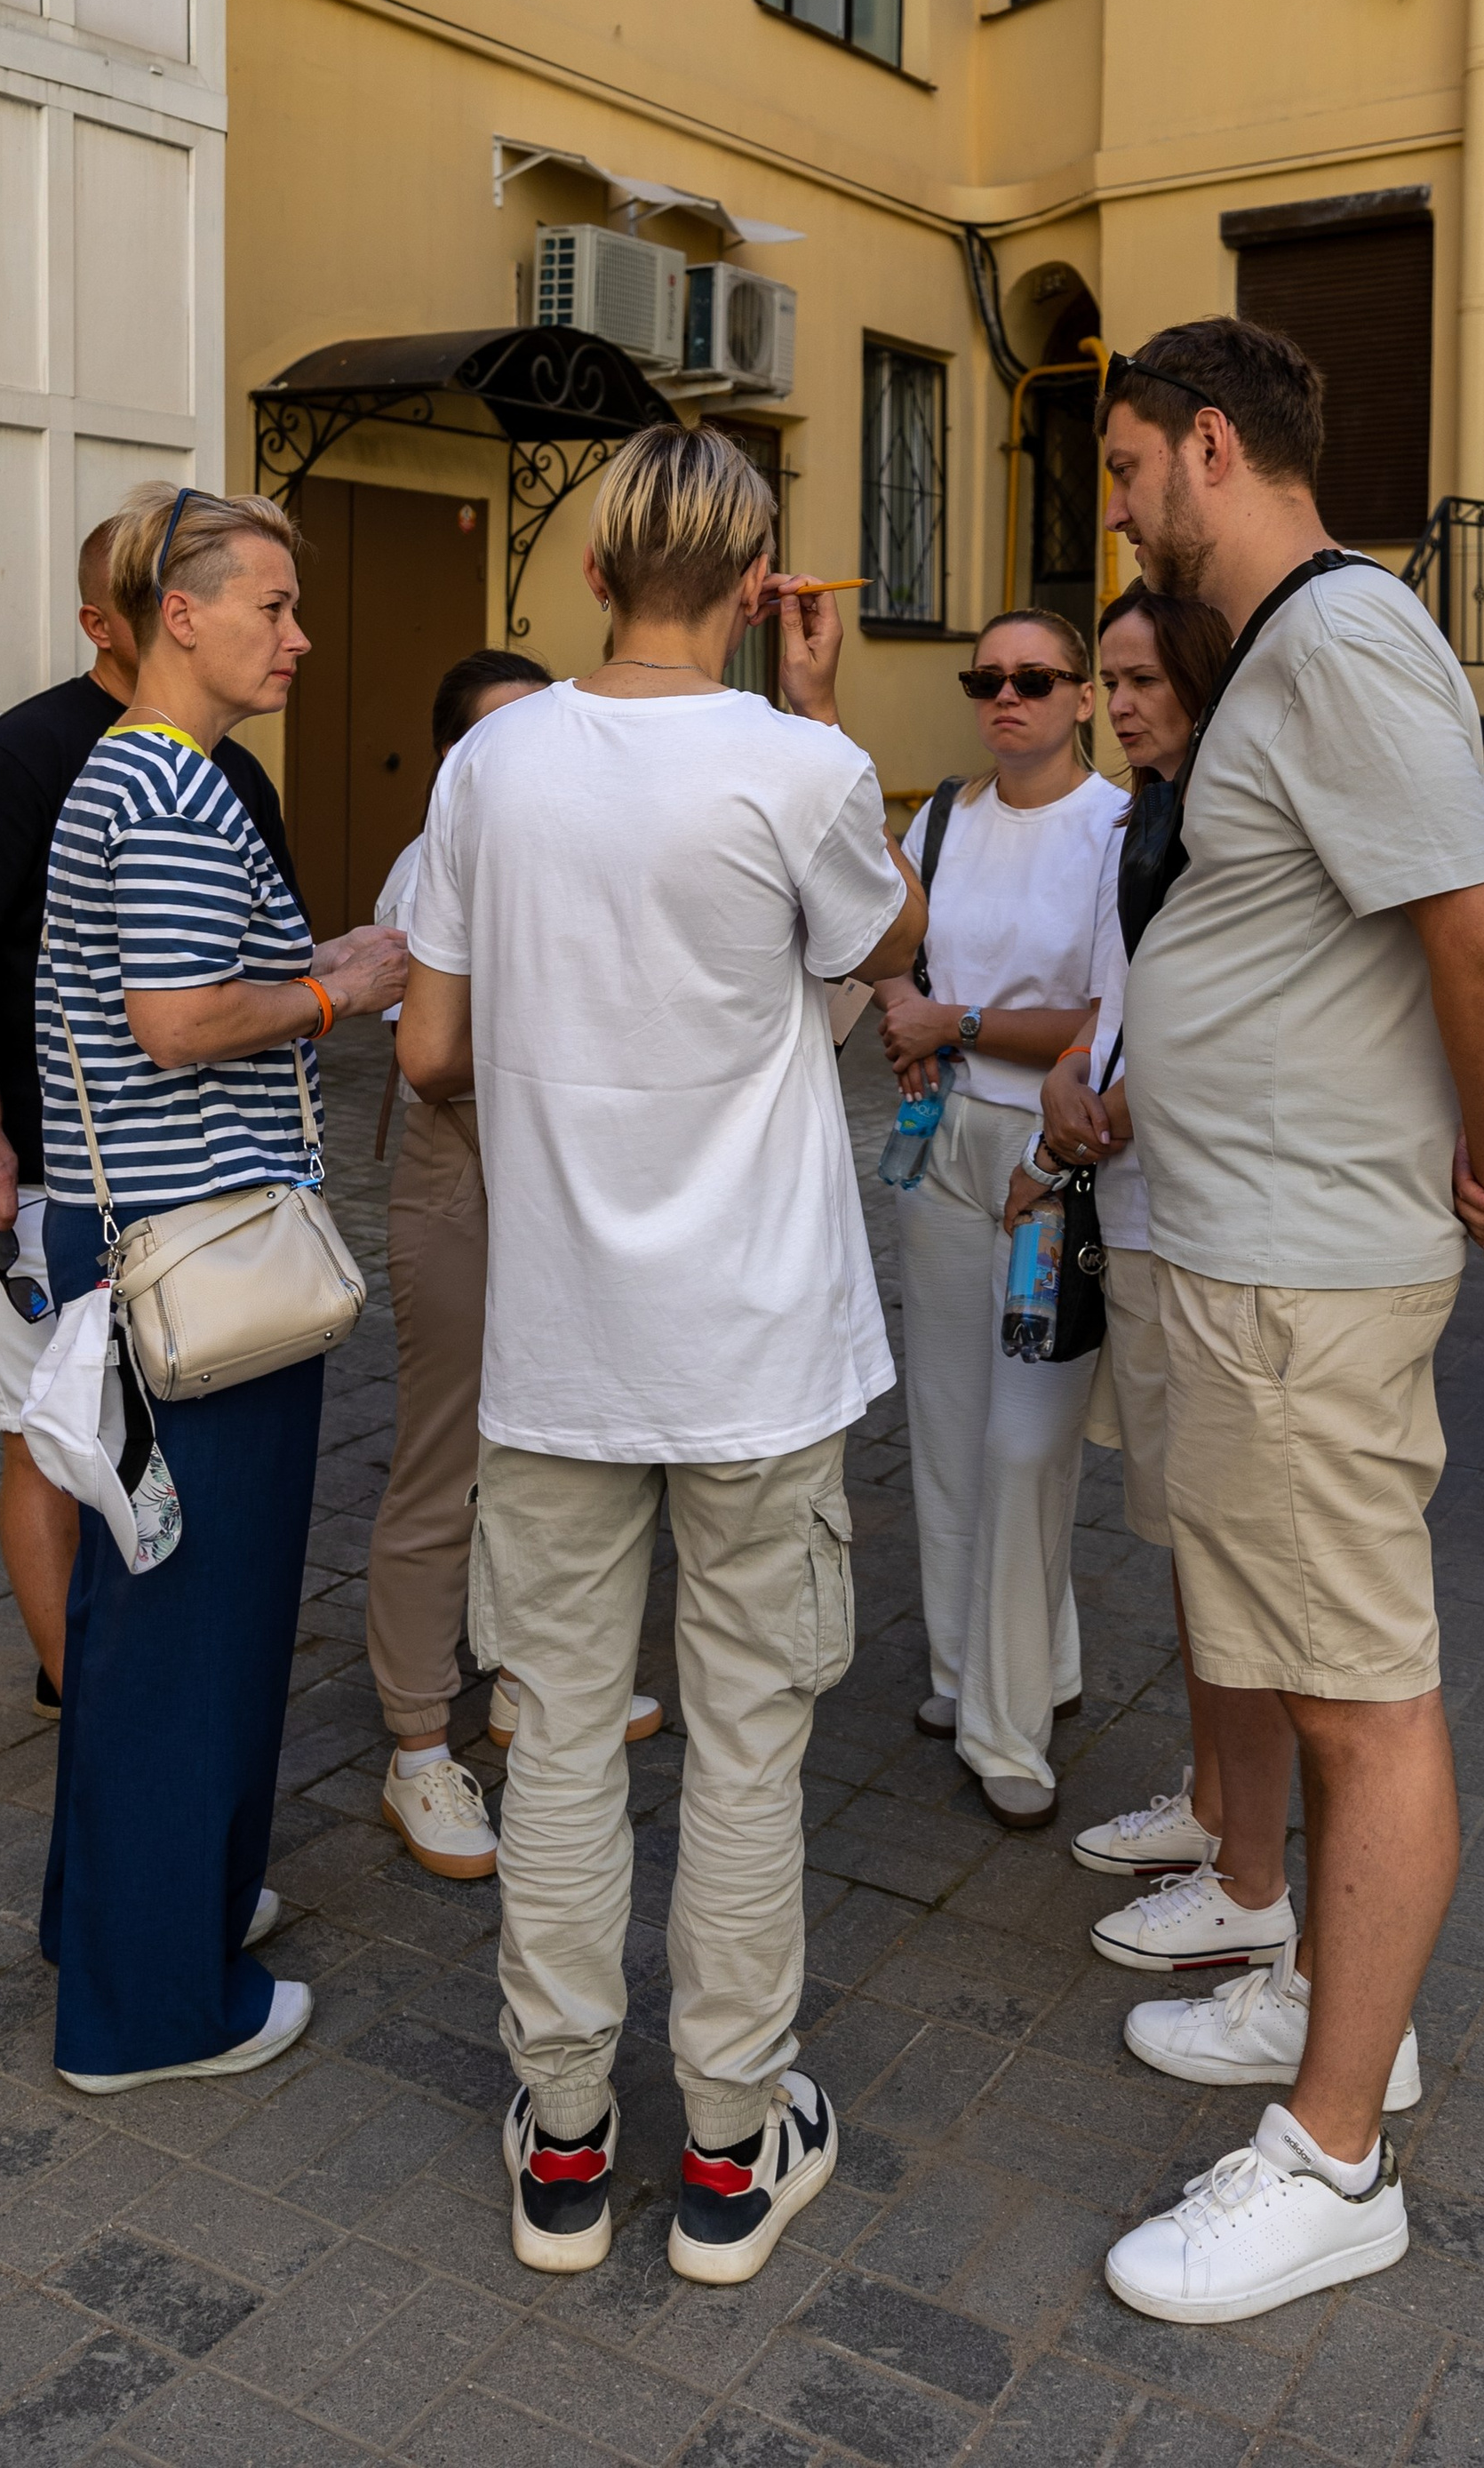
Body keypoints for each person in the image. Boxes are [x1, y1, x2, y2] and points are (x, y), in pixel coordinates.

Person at [1083, 319, 1484, 2329]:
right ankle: (1322, 2001)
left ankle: (1334, 2156)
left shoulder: (1344, 641)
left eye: (1125, 465)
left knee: (1363, 1704)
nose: (1112, 504)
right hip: (1247, 1262)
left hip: (1301, 1278)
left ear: (1212, 446)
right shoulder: (1302, 652)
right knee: (1301, 1668)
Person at [398, 424, 925, 2285]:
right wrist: (815, 714)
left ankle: (559, 2145)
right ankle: (724, 2153)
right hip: (759, 1348)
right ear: (759, 573)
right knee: (748, 1748)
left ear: (597, 567)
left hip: (560, 1348)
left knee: (550, 1748)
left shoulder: (493, 762)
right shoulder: (807, 768)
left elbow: (427, 1054)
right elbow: (882, 947)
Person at [36, 482, 407, 2093]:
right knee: (194, 1628)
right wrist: (338, 987)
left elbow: (170, 996)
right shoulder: (178, 785)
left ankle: (128, 1923)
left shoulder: (121, 771)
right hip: (201, 1269)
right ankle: (154, 2014)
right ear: (180, 615)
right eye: (272, 604)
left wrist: (296, 971)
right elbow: (178, 1023)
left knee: (145, 1614)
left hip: (145, 1253)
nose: (298, 634)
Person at [0, 518, 299, 1715]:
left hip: (183, 1191)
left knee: (149, 1452)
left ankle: (130, 1691)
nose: (285, 639)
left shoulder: (225, 765)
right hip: (46, 1170)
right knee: (53, 1434)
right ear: (118, 623)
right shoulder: (24, 755)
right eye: (262, 608)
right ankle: (87, 1704)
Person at [364, 645, 666, 1880]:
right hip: (468, 1177)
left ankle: (518, 1684)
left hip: (564, 1184)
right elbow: (429, 1060)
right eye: (499, 738)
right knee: (446, 1458)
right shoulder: (432, 866)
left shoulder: (578, 851)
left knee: (546, 1447)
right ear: (452, 762)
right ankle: (416, 1743)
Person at [999, 584, 1242, 1888]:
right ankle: (1211, 1804)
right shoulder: (1139, 821)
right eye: (1123, 679)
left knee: (1223, 1545)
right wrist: (1068, 1078)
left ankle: (1234, 1838)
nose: (1129, 704)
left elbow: (1218, 1017)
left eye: (1148, 681)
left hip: (1204, 1216)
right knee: (1184, 1536)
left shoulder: (1228, 816)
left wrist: (1093, 1121)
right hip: (1134, 1215)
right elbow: (1115, 994)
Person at [870, 609, 1118, 1830]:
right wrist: (907, 1013)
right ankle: (984, 1670)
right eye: (987, 678)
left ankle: (1010, 1730)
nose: (1006, 697)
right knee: (950, 1425)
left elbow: (1106, 1021)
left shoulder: (1118, 830)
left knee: (1029, 1443)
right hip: (950, 1146)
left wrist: (953, 1022)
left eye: (1035, 679)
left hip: (1056, 1160)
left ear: (1083, 697)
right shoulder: (941, 817)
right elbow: (893, 946)